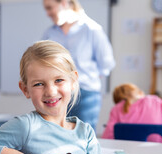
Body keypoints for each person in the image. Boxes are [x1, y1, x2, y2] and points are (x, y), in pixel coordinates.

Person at [42, 0, 116, 131]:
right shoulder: (50, 33)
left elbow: (106, 63)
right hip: (56, 93)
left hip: (86, 94)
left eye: (49, 8)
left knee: (83, 137)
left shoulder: (91, 29)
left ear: (64, 3)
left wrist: (87, 80)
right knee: (56, 135)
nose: (47, 14)